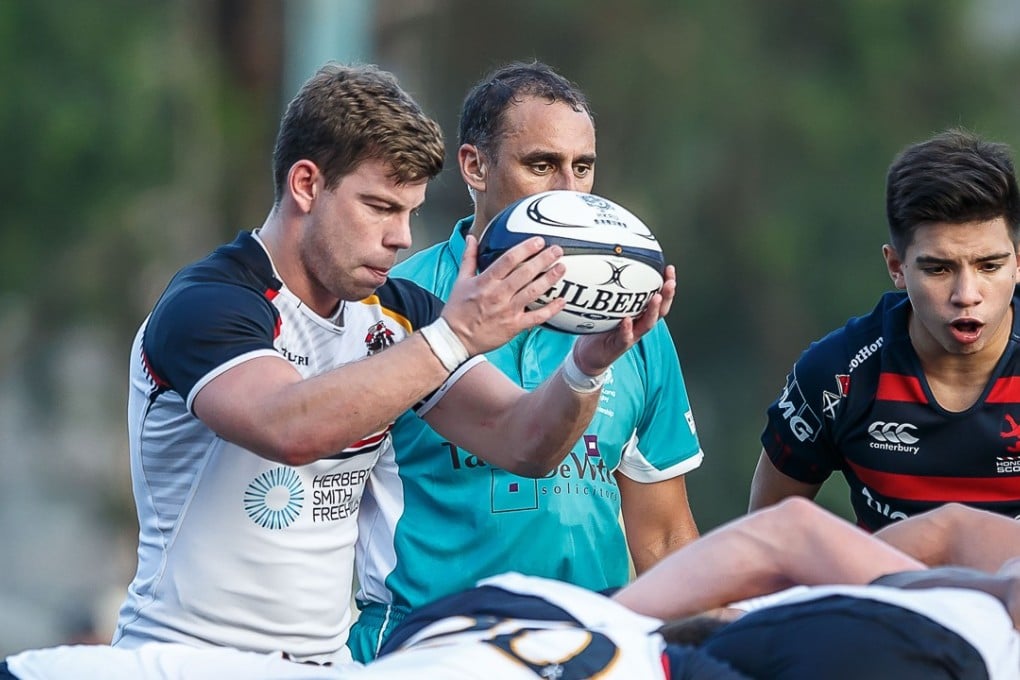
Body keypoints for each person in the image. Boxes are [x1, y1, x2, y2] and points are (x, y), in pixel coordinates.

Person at [107, 62, 675, 665]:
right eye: (379, 207)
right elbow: (288, 427)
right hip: (182, 659)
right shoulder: (209, 303)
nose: (401, 238)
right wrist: (454, 337)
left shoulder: (399, 313)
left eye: (410, 212)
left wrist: (586, 367)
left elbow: (526, 443)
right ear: (306, 184)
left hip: (324, 665)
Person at [349, 61, 704, 661]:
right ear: (474, 166)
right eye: (542, 165)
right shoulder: (391, 305)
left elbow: (664, 534)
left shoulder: (631, 323)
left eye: (583, 167)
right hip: (427, 649)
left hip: (591, 648)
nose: (569, 191)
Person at [7, 499, 1019, 679]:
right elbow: (797, 528)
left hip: (563, 629)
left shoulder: (970, 607)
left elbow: (793, 533)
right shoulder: (980, 611)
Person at [750, 128, 1020, 530]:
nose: (966, 295)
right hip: (889, 591)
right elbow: (765, 537)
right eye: (938, 268)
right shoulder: (837, 375)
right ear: (896, 267)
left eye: (989, 266)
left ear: (1019, 262)